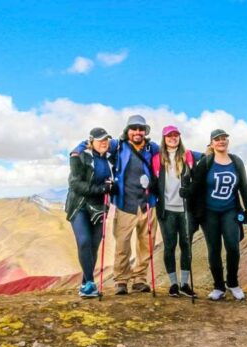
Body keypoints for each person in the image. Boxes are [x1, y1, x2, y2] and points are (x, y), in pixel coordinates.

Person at [71, 115, 160, 295]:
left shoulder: (153, 147)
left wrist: (206, 153)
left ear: (145, 131)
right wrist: (76, 151)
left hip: (148, 203)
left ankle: (140, 279)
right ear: (128, 130)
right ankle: (121, 280)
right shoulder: (117, 145)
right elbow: (95, 143)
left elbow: (176, 151)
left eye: (140, 129)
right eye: (134, 128)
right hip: (125, 203)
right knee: (122, 244)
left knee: (146, 243)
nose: (137, 132)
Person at [184, 129, 247, 301]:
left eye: (224, 139)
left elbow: (243, 187)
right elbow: (197, 185)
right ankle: (218, 287)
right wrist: (186, 193)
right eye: (217, 139)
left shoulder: (236, 162)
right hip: (209, 213)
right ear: (212, 143)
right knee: (213, 249)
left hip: (230, 211)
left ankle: (233, 283)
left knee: (233, 247)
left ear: (227, 142)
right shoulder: (206, 162)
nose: (221, 141)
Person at [150, 125, 202, 298]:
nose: (173, 138)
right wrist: (147, 186)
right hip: (166, 210)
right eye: (169, 136)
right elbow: (155, 184)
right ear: (164, 139)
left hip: (186, 209)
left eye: (175, 135)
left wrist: (191, 190)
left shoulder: (188, 156)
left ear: (179, 137)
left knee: (186, 246)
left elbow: (197, 178)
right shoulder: (157, 159)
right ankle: (173, 284)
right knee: (170, 246)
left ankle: (184, 284)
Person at [64, 127, 115, 298]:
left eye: (106, 139)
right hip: (79, 206)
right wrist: (101, 189)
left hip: (99, 208)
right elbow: (75, 183)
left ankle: (85, 283)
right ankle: (91, 284)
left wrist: (112, 187)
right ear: (91, 141)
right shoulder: (83, 156)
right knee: (84, 241)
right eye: (100, 139)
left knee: (93, 245)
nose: (104, 142)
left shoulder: (110, 159)